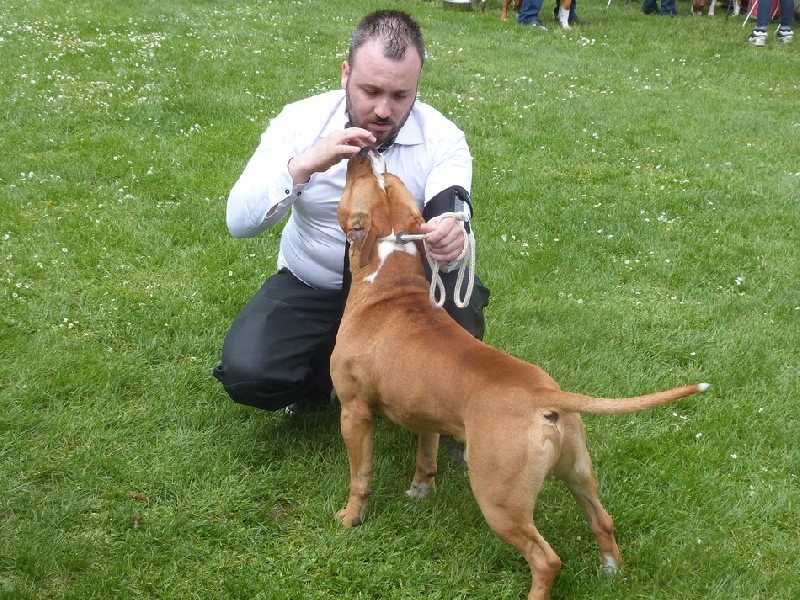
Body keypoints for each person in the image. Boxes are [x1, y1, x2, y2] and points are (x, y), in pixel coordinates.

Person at [213, 10, 490, 417]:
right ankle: (319, 377)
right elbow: (239, 222)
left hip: (401, 289)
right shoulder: (300, 122)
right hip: (314, 283)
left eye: (400, 95)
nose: (383, 110)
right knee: (250, 372)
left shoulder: (442, 138)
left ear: (417, 87)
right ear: (345, 74)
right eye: (370, 90)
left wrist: (452, 234)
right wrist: (302, 165)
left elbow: (451, 205)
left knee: (455, 297)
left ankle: (452, 403)